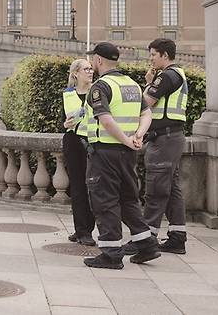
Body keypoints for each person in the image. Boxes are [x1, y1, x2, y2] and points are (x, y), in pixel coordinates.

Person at [83, 42, 160, 270]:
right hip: (127, 154)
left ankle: (111, 253)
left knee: (104, 201)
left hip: (105, 152)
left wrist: (127, 139)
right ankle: (146, 244)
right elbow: (147, 114)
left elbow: (105, 120)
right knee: (128, 199)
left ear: (98, 60)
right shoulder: (133, 85)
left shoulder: (101, 86)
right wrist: (138, 136)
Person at [127, 38, 189, 255]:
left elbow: (144, 104)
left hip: (164, 139)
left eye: (153, 54)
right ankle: (177, 237)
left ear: (164, 55)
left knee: (156, 189)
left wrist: (148, 83)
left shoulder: (167, 76)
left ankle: (146, 239)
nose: (150, 58)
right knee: (172, 189)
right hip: (171, 138)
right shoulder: (177, 74)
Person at [60, 58, 96, 246]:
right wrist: (64, 124)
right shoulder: (67, 94)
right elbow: (62, 121)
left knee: (93, 187)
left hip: (93, 141)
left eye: (91, 69)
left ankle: (88, 228)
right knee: (78, 187)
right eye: (86, 69)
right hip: (74, 142)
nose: (90, 72)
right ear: (76, 73)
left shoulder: (98, 91)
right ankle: (82, 230)